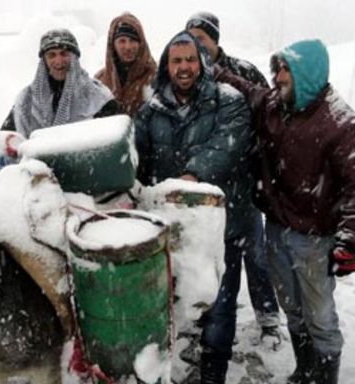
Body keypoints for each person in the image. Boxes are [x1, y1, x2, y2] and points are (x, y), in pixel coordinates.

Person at [218, 39, 355, 384]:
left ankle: (324, 376)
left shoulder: (342, 124)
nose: (277, 77)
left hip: (316, 237)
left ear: (308, 71)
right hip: (278, 227)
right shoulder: (277, 104)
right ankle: (304, 369)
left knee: (319, 316)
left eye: (285, 69)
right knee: (291, 307)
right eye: (276, 69)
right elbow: (250, 90)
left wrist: (350, 241)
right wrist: (217, 70)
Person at [133, 30, 251, 384]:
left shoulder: (229, 100)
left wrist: (190, 176)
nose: (184, 67)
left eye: (190, 60)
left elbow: (226, 146)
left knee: (221, 302)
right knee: (177, 299)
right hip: (172, 227)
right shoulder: (151, 108)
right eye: (176, 61)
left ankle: (213, 371)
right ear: (166, 66)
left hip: (220, 226)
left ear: (202, 62)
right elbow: (137, 154)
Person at [186, 11, 281, 343]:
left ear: (215, 40)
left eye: (203, 38)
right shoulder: (186, 72)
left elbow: (270, 111)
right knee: (209, 253)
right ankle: (209, 315)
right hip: (203, 182)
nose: (197, 45)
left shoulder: (242, 71)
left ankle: (268, 315)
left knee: (255, 253)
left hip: (243, 180)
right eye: (191, 38)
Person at [0, 28, 120, 136]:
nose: (58, 61)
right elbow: (6, 139)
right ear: (44, 61)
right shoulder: (26, 100)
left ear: (74, 58)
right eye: (52, 55)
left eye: (64, 54)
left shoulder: (98, 97)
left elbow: (112, 141)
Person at [95, 13, 157, 117]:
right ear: (113, 45)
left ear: (140, 44)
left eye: (132, 40)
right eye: (122, 41)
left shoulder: (155, 78)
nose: (128, 47)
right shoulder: (100, 81)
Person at [186, 12, 268, 88]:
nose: (193, 43)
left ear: (214, 40)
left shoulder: (244, 71)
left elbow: (270, 101)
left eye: (199, 38)